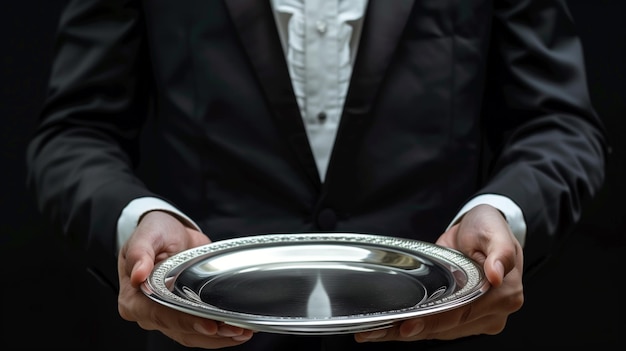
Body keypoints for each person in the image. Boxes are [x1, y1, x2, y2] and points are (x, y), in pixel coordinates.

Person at [26, 0, 608, 350]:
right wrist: (137, 221)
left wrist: (504, 214)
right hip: (207, 342)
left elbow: (558, 124)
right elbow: (75, 135)